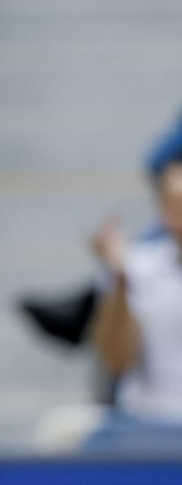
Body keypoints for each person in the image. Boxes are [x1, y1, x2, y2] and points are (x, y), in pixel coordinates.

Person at [89, 159, 182, 426]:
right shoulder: (134, 267)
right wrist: (120, 280)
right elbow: (116, 360)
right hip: (145, 423)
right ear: (163, 209)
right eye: (175, 202)